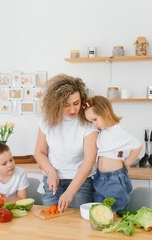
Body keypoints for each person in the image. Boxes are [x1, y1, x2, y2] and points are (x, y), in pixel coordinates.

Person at [34, 74, 98, 212]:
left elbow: (89, 161)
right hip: (52, 181)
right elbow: (39, 152)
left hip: (80, 182)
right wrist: (50, 172)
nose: (72, 110)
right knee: (51, 225)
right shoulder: (47, 121)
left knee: (76, 226)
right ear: (56, 104)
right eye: (66, 105)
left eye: (76, 103)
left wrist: (70, 192)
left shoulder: (88, 122)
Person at [82, 95, 142, 211]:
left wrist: (128, 162)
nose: (94, 124)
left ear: (105, 112)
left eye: (95, 119)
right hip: (100, 178)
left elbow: (137, 145)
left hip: (114, 179)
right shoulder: (103, 131)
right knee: (100, 213)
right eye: (91, 121)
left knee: (116, 211)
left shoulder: (117, 130)